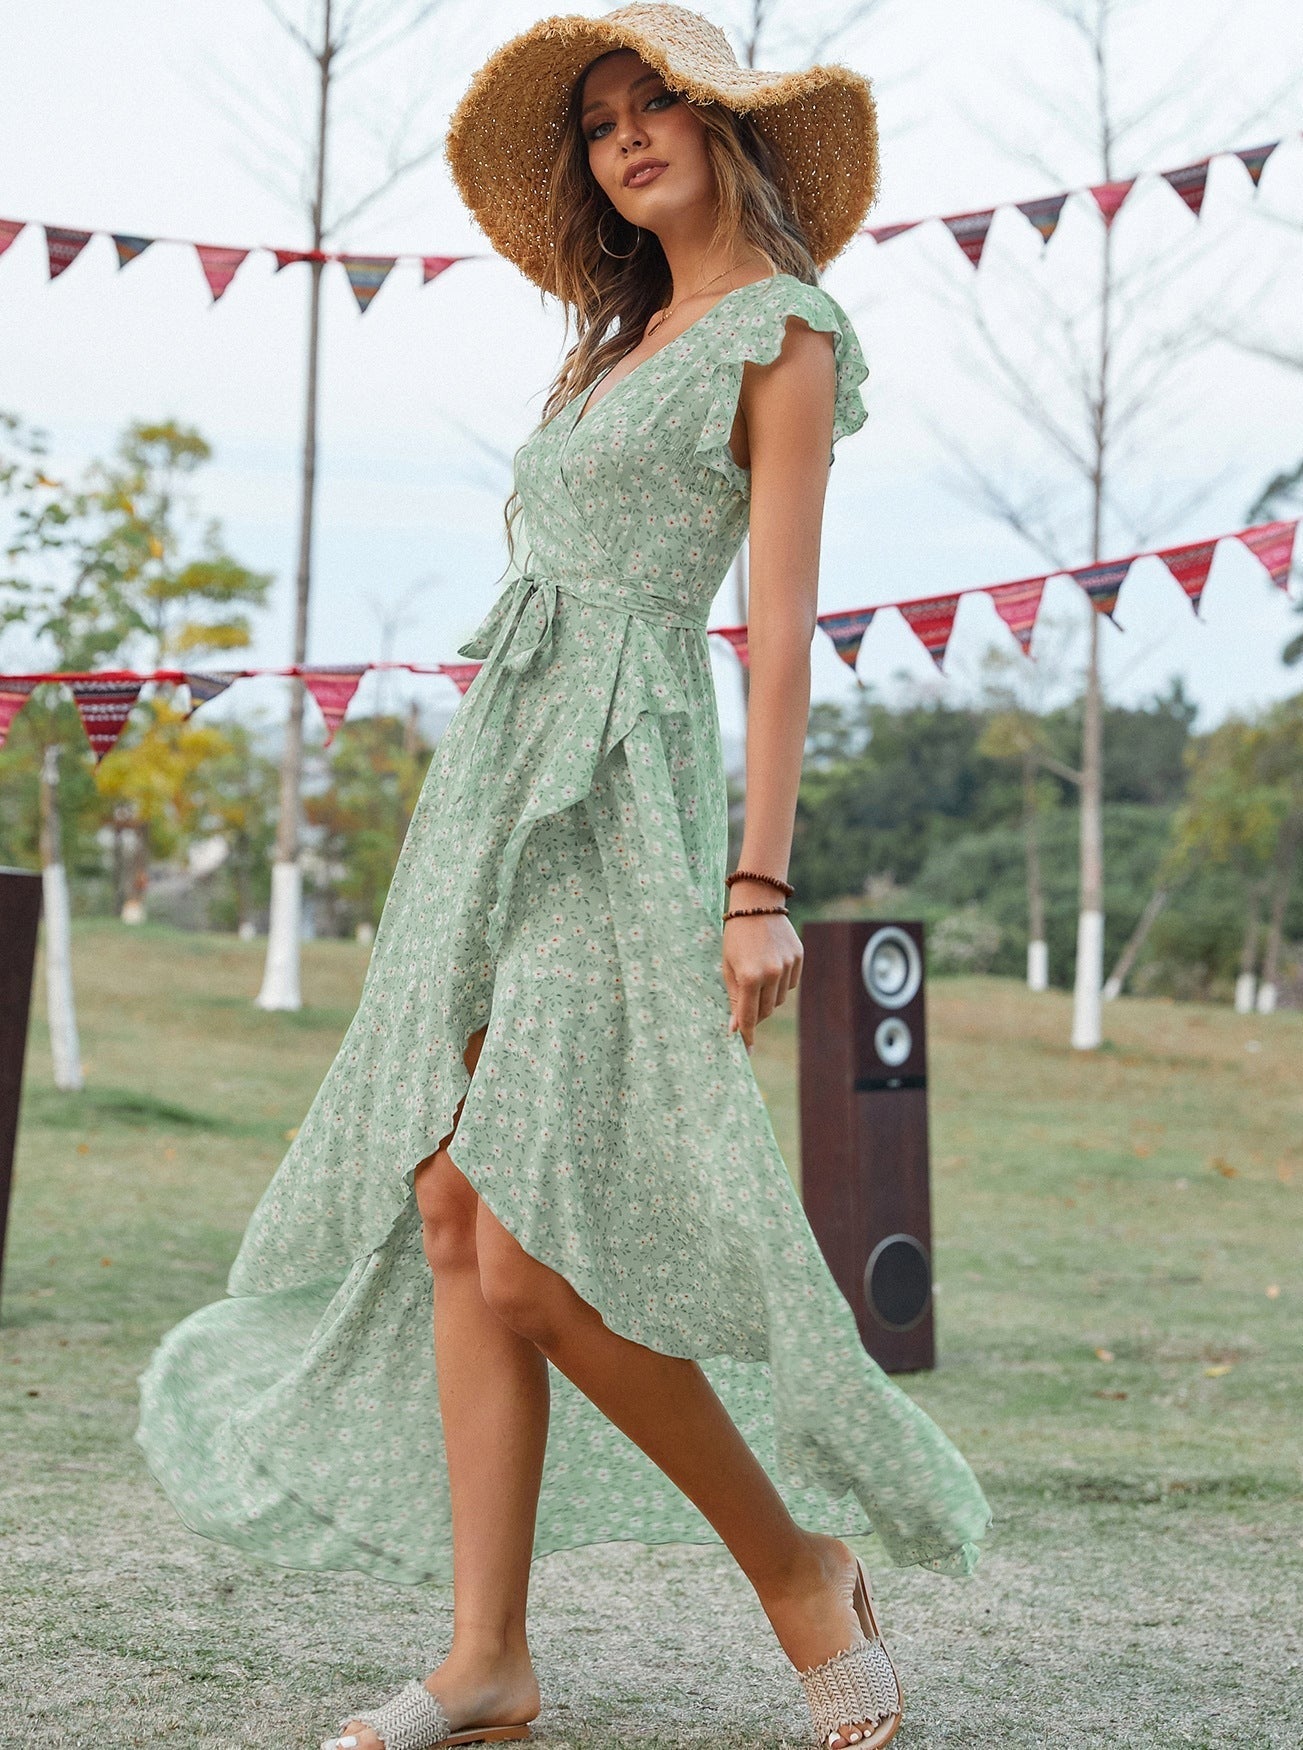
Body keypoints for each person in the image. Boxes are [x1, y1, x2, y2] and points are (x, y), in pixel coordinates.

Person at [134, 7, 993, 1749]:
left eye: (654, 100)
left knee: (526, 1248)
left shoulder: (782, 334)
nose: (624, 135)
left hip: (628, 784)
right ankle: (488, 1660)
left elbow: (774, 635)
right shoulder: (612, 346)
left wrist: (758, 884)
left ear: (729, 127)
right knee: (452, 1208)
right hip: (502, 782)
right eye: (599, 120)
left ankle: (794, 1564)